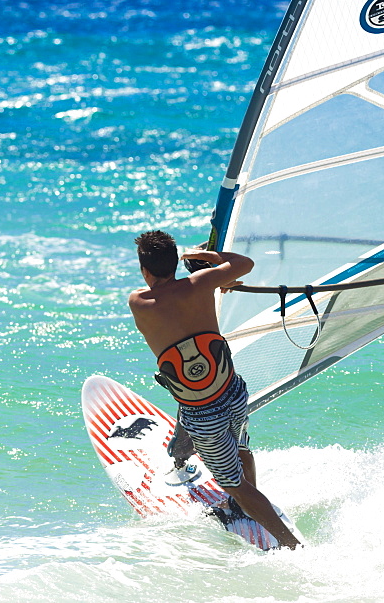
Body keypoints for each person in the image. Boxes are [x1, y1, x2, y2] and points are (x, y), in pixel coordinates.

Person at [128, 230, 302, 549]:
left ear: (145, 271)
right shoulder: (202, 282)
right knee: (240, 448)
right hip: (233, 392)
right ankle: (242, 502)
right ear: (176, 263)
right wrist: (210, 261)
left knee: (233, 483)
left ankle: (291, 545)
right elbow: (244, 263)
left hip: (202, 412)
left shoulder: (138, 302)